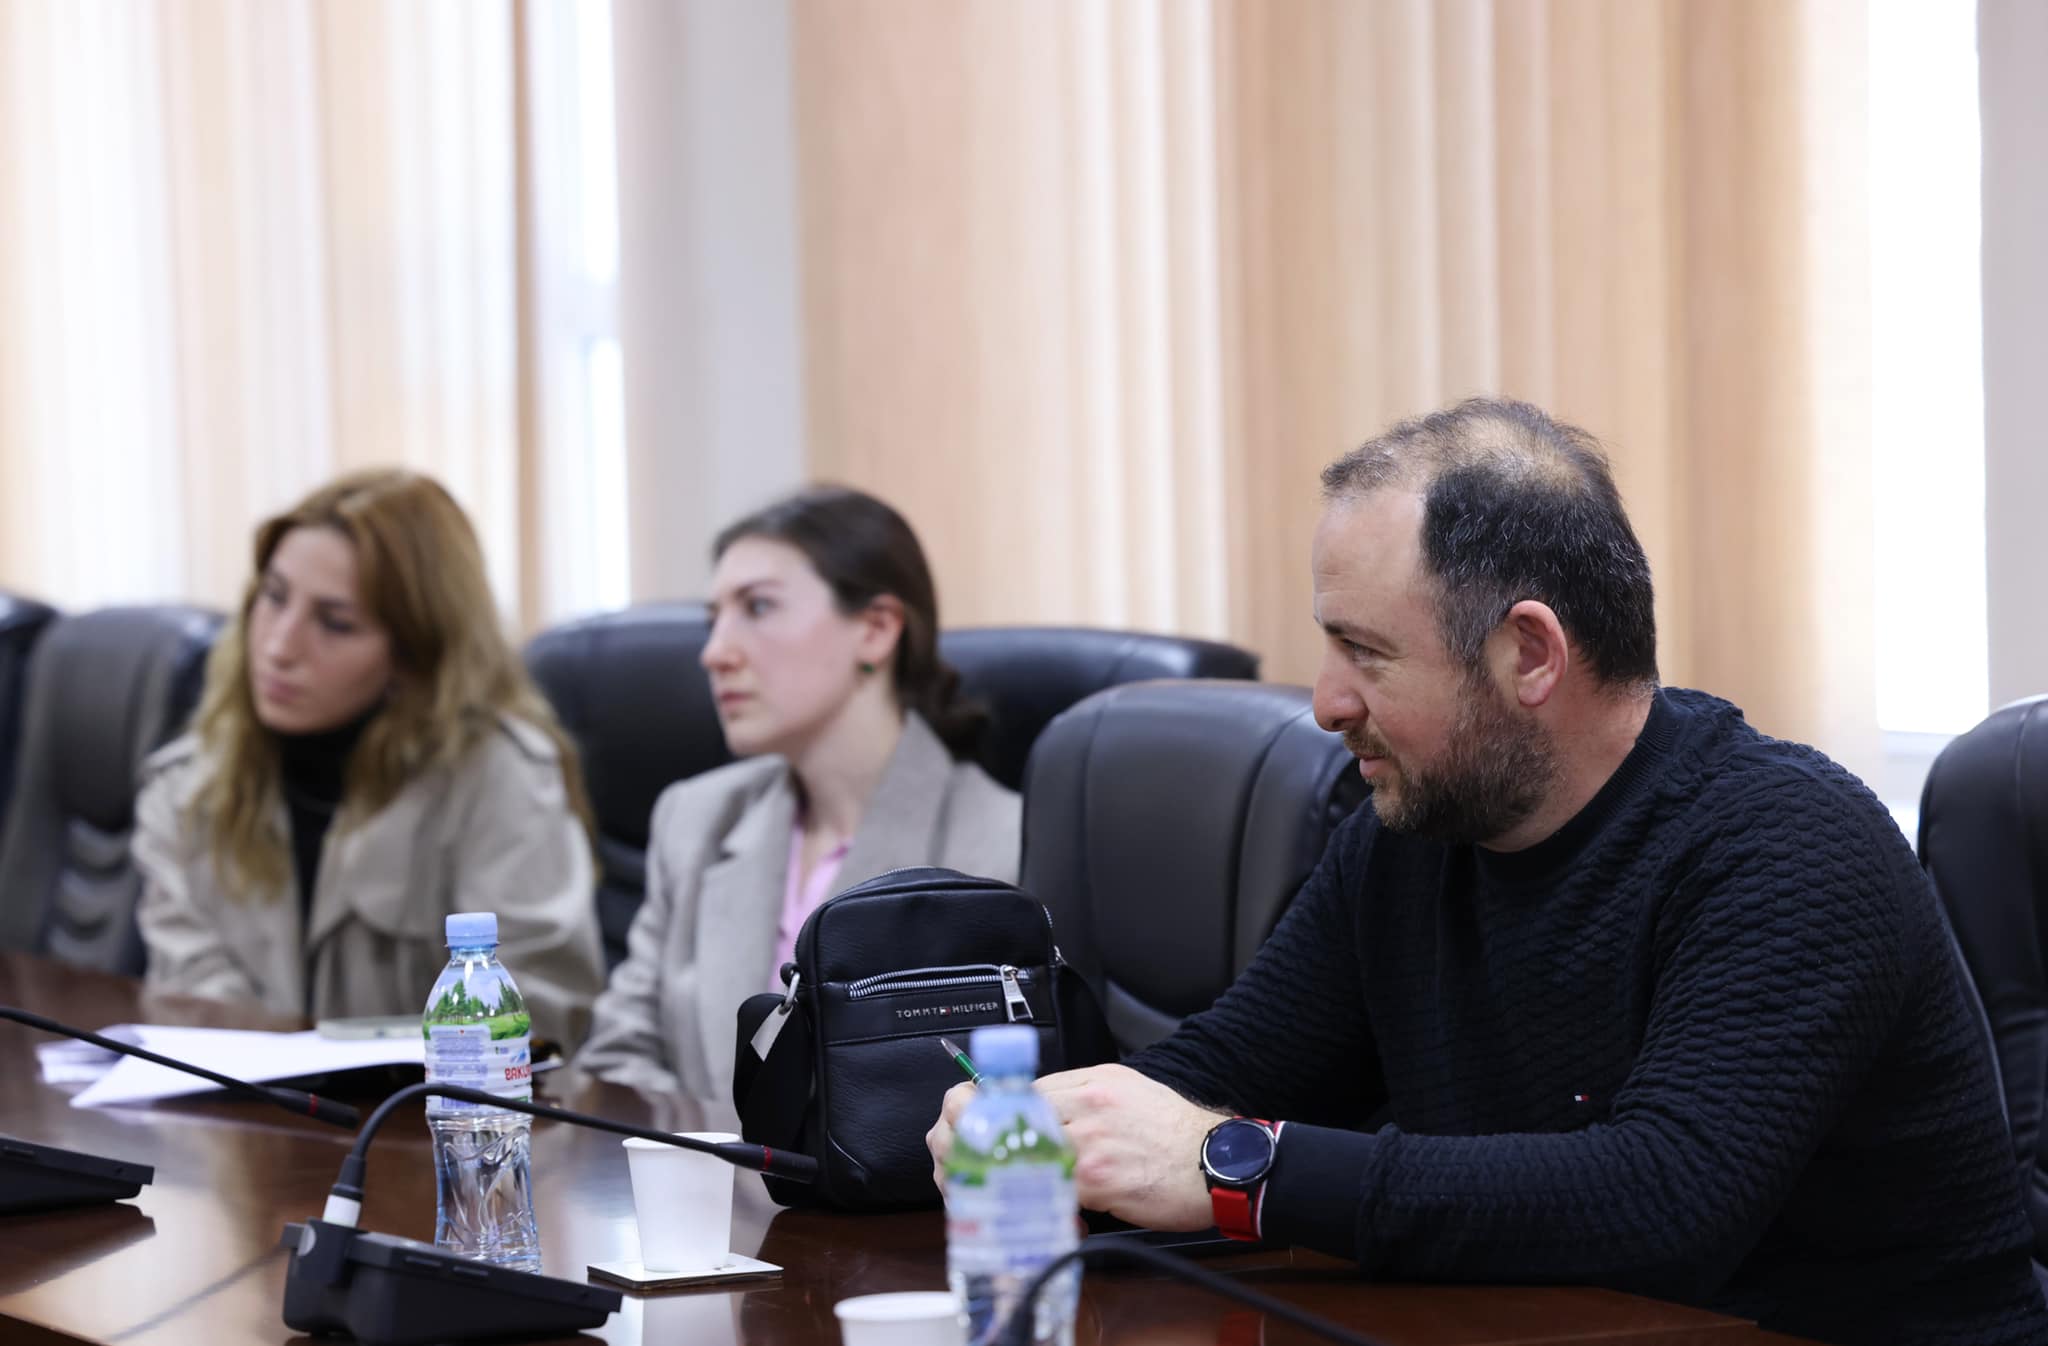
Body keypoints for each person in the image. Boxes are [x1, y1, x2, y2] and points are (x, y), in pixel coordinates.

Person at [929, 398, 2048, 1346]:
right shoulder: (1406, 836)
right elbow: (1223, 1075)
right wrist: (1037, 1127)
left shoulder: (1788, 843)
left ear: (1529, 653)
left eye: (1365, 652)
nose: (1323, 702)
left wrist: (1233, 1168)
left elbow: (1661, 1200)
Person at [576, 486, 1020, 1101]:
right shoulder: (696, 818)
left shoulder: (1002, 849)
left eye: (758, 607)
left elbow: (989, 1097)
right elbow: (615, 1059)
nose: (713, 653)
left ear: (875, 629)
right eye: (713, 619)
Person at [135, 469, 605, 1046]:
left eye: (335, 623)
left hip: (429, 1102)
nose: (279, 646)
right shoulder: (186, 787)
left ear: (415, 655)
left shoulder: (500, 778)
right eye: (274, 597)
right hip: (246, 1101)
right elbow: (193, 1001)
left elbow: (540, 1010)